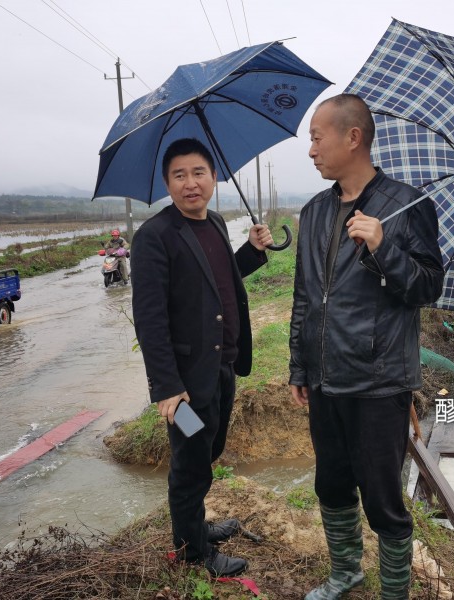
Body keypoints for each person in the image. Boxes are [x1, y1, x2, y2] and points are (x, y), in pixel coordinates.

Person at [289, 94, 444, 599]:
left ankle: (394, 592)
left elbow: (426, 287)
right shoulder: (314, 212)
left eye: (316, 137)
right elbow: (304, 297)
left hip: (380, 381)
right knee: (331, 485)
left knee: (382, 499)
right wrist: (299, 367)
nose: (310, 150)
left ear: (352, 137)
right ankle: (345, 573)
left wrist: (384, 247)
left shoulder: (405, 205)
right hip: (325, 378)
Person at [131, 137, 273, 577]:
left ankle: (197, 526)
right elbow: (149, 319)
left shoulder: (212, 222)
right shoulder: (154, 236)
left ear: (214, 177)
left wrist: (252, 251)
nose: (191, 183)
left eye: (198, 173)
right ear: (167, 183)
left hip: (222, 368)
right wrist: (167, 387)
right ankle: (193, 552)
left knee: (208, 451)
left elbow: (218, 281)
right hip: (186, 385)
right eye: (179, 175)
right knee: (189, 464)